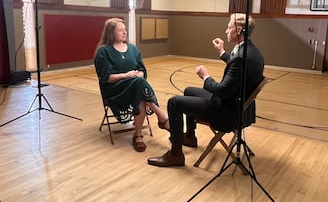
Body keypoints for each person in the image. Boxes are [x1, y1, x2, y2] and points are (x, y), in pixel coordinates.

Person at [147, 13, 264, 167]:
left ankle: (175, 154)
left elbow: (221, 90)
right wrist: (222, 52)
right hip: (239, 107)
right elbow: (235, 66)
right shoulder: (251, 52)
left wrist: (206, 77)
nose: (226, 31)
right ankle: (190, 136)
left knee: (173, 103)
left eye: (229, 27)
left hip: (226, 113)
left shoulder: (242, 58)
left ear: (239, 30)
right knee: (189, 90)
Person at [94, 18, 167, 152]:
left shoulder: (133, 49)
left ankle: (138, 135)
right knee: (139, 85)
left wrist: (140, 73)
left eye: (125, 29)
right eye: (120, 30)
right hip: (115, 90)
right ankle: (162, 117)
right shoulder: (103, 52)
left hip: (134, 87)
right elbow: (107, 78)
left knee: (139, 88)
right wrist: (126, 75)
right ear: (111, 33)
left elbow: (142, 69)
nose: (124, 32)